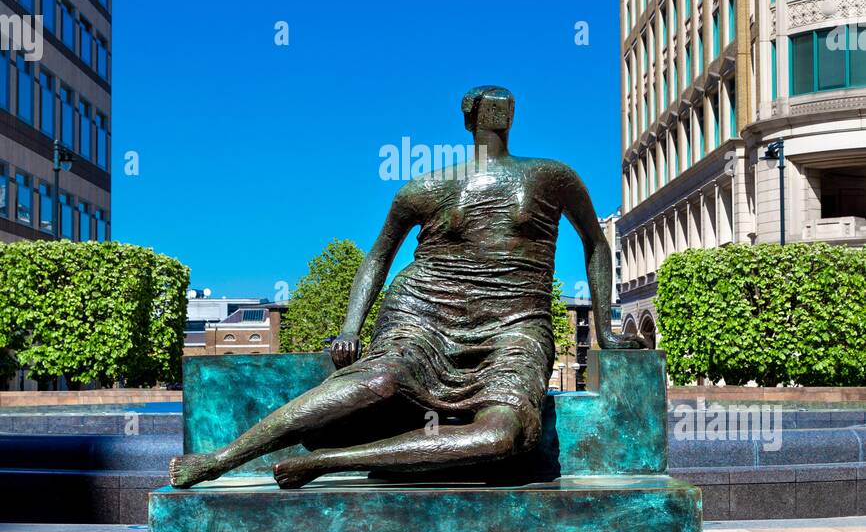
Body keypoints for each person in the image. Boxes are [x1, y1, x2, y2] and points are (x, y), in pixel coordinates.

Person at [169, 85, 643, 490]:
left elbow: (596, 243)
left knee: (502, 436)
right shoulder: (425, 187)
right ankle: (221, 459)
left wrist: (607, 331)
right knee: (378, 380)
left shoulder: (551, 177)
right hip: (425, 314)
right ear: (470, 119)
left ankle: (327, 462)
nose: (498, 110)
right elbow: (378, 256)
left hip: (514, 328)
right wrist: (351, 328)